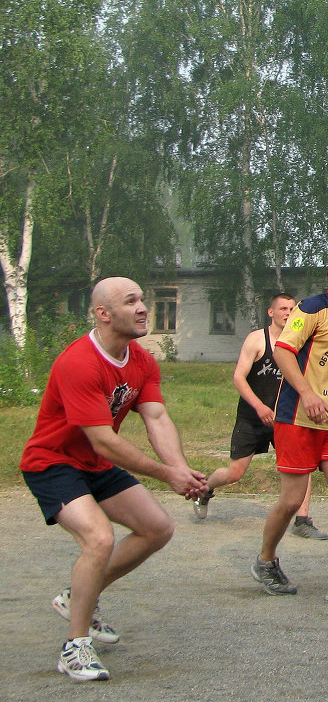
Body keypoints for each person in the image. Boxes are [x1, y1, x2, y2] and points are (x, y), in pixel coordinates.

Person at [20, 277, 208, 682]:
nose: (143, 307)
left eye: (143, 299)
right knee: (99, 538)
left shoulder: (141, 361)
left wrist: (180, 469)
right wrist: (164, 474)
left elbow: (156, 417)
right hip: (52, 463)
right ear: (104, 314)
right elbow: (104, 440)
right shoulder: (79, 362)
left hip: (94, 464)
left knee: (157, 528)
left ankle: (78, 597)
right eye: (131, 301)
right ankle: (75, 647)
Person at [251, 248, 328, 605]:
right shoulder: (312, 307)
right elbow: (283, 351)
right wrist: (307, 394)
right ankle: (265, 560)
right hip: (297, 416)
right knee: (291, 500)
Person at [193, 293, 328, 539]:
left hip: (285, 417)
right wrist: (260, 407)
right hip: (253, 415)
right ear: (271, 312)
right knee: (235, 472)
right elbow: (238, 377)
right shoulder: (257, 340)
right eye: (283, 309)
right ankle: (206, 488)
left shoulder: (300, 341)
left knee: (301, 466)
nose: (288, 313)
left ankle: (302, 520)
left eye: (291, 308)